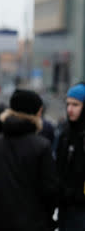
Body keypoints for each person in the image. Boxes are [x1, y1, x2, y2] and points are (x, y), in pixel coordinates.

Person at [0, 89, 58, 231]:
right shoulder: (42, 147)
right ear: (35, 114)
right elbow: (50, 191)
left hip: (1, 223)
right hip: (35, 224)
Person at [56, 82, 85, 230]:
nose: (70, 109)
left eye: (75, 105)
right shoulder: (64, 133)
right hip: (65, 206)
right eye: (68, 104)